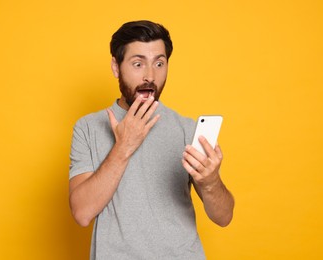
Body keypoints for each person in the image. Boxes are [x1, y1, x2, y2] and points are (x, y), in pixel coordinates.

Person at [68, 20, 234, 259]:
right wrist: (124, 146)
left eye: (159, 63)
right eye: (138, 64)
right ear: (116, 67)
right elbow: (82, 213)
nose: (150, 76)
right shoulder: (88, 128)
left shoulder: (187, 129)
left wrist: (210, 181)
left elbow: (224, 217)